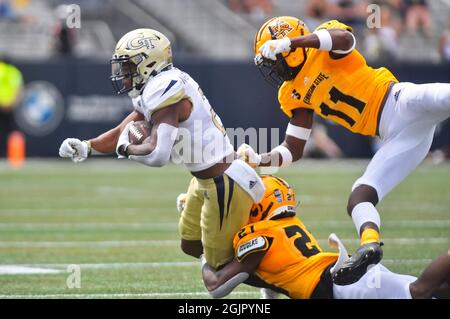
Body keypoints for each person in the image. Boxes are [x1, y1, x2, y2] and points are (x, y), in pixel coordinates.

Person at [236, 16, 450, 284]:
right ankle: (369, 246)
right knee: (359, 196)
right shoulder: (290, 93)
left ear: (289, 48)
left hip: (399, 102)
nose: (275, 68)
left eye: (276, 59)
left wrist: (291, 41)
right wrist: (259, 160)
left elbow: (345, 39)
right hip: (395, 136)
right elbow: (294, 149)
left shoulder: (321, 42)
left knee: (444, 96)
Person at [58, 29, 265, 270]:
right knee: (190, 244)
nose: (123, 75)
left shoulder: (165, 88)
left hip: (223, 179)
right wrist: (87, 147)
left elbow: (158, 155)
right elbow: (121, 130)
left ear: (148, 63)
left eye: (128, 67)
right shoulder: (156, 86)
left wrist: (126, 149)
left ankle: (264, 265)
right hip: (203, 178)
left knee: (217, 277)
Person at [200, 175, 450, 299]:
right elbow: (270, 278)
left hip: (340, 285)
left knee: (420, 291)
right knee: (439, 290)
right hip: (342, 275)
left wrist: (203, 250)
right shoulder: (286, 225)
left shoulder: (258, 235)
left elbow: (217, 286)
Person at [0, 58, 23, 157]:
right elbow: (18, 89)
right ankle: (13, 155)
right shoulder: (14, 72)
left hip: (3, 104)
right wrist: (13, 102)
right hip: (9, 105)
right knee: (11, 131)